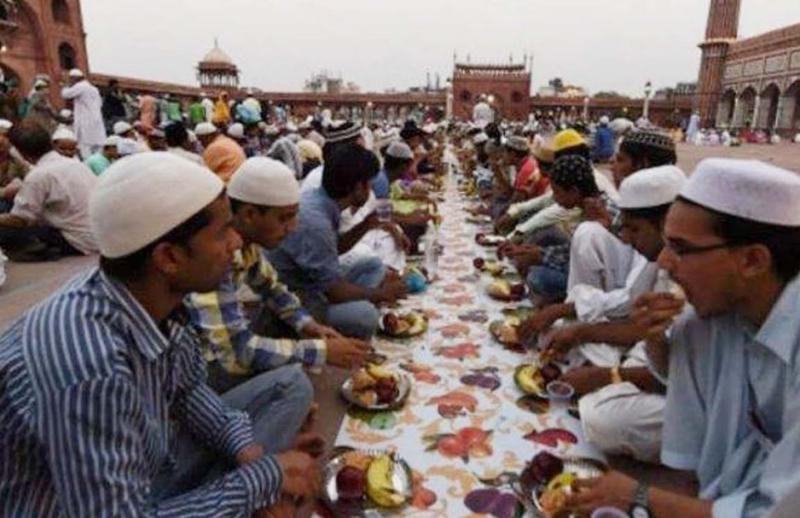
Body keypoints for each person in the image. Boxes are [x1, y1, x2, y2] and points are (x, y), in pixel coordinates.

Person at [0, 151, 319, 516]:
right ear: (168, 258)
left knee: (291, 387)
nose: (235, 242)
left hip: (142, 465)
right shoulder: (89, 368)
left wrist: (249, 452)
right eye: (222, 232)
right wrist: (260, 481)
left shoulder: (150, 299)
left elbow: (189, 392)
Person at [571, 159, 800, 518]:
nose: (663, 262)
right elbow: (693, 467)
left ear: (753, 260)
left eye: (681, 248)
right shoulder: (704, 322)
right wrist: (654, 338)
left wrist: (641, 497)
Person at [539, 166, 686, 462]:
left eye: (634, 230)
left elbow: (684, 377)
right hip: (649, 362)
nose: (626, 239)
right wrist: (579, 331)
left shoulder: (694, 269)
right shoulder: (657, 259)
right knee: (563, 333)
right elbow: (634, 320)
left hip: (685, 393)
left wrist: (607, 376)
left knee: (603, 420)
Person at [187, 157, 371, 391]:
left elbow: (273, 290)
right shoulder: (217, 260)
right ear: (249, 215)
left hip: (232, 346)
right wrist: (320, 351)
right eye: (284, 218)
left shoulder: (247, 247)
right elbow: (237, 352)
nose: (292, 228)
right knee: (295, 385)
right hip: (205, 372)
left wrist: (309, 326)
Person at [270, 143, 407, 338]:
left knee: (373, 265)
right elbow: (334, 292)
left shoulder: (321, 200)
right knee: (366, 316)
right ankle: (337, 335)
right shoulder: (316, 221)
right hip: (295, 300)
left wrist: (367, 224)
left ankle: (354, 308)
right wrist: (381, 294)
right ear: (358, 187)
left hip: (312, 283)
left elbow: (334, 248)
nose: (370, 190)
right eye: (368, 184)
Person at [0, 122, 97, 260]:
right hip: (98, 236)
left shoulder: (39, 174)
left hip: (78, 240)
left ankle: (39, 252)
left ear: (19, 151)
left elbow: (21, 219)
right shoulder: (77, 165)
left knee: (6, 229)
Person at [60, 69, 107, 159]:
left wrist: (66, 85)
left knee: (85, 147)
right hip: (96, 121)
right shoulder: (94, 89)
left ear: (74, 78)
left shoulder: (80, 86)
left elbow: (65, 94)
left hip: (85, 122)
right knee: (98, 148)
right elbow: (100, 104)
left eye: (71, 79)